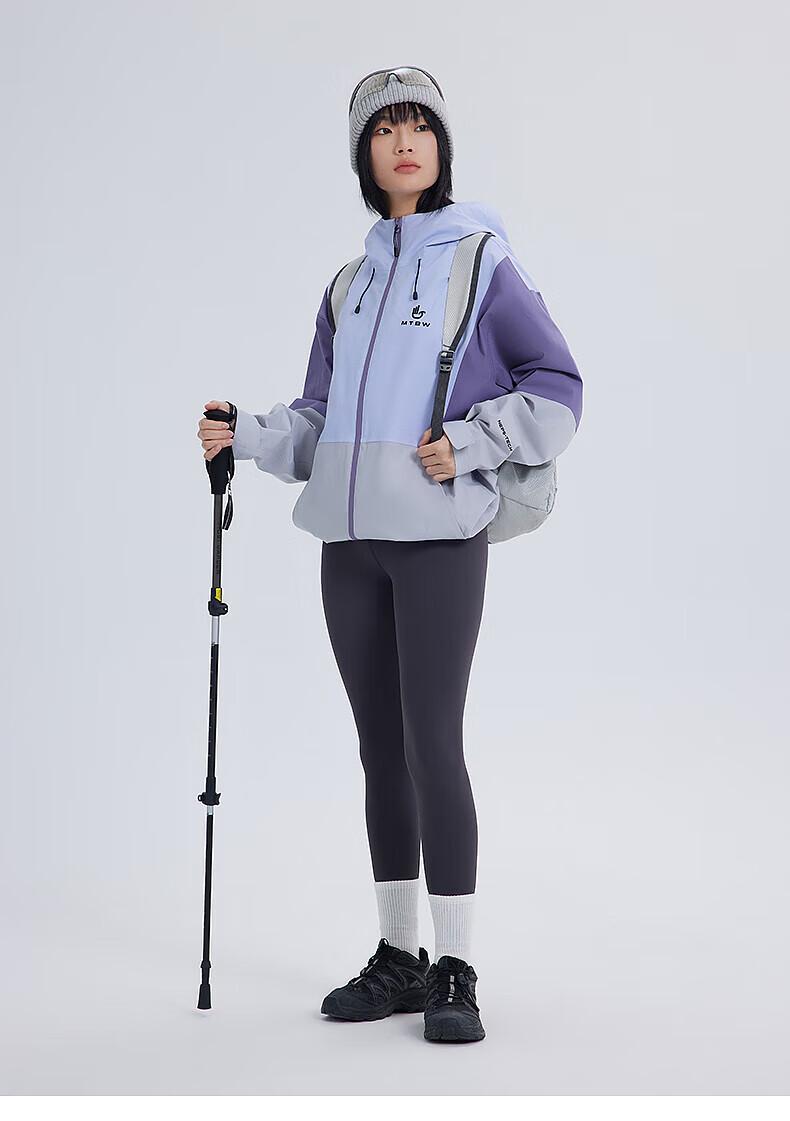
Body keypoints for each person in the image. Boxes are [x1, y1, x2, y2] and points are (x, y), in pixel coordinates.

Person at [197, 66, 583, 1044]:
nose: (404, 143)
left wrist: (476, 440)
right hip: (351, 548)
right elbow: (319, 419)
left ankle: (457, 964)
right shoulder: (349, 284)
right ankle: (399, 955)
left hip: (439, 541)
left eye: (419, 127)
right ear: (363, 156)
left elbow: (557, 383)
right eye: (384, 130)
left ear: (441, 149)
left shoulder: (481, 261)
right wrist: (246, 434)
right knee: (380, 750)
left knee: (431, 743)